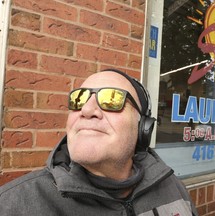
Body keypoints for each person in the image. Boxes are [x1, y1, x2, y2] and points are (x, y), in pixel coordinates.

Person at [0, 69, 198, 216]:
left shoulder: (173, 189)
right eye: (79, 99)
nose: (86, 110)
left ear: (143, 128)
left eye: (111, 99)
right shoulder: (13, 204)